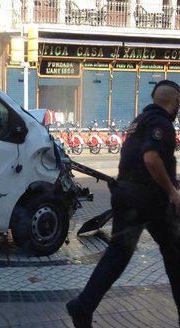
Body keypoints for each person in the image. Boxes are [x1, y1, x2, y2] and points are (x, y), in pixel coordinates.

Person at [66, 80, 180, 327]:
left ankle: (82, 306)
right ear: (174, 102)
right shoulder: (162, 124)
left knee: (118, 254)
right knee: (174, 253)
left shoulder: (138, 122)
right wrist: (172, 190)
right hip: (149, 200)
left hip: (126, 195)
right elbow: (151, 159)